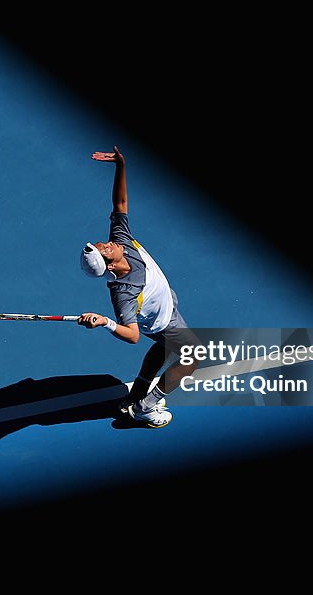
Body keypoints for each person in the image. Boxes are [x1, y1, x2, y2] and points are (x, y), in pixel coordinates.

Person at [77, 146, 199, 427]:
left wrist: (121, 165)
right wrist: (105, 322)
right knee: (192, 358)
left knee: (163, 348)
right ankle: (146, 406)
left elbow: (119, 203)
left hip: (164, 299)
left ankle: (137, 393)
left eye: (103, 243)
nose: (108, 243)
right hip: (161, 320)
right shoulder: (123, 293)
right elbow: (132, 336)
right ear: (109, 266)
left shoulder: (120, 239)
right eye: (105, 250)